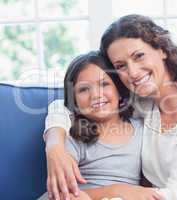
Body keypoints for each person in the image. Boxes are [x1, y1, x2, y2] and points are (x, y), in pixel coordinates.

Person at [44, 15, 177, 200]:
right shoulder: (145, 104)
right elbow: (63, 107)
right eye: (121, 66)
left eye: (139, 56)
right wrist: (54, 147)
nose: (133, 72)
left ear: (161, 49)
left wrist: (109, 194)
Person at [38, 51, 160, 200]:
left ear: (119, 90)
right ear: (74, 101)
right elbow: (62, 193)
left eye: (104, 84)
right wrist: (117, 191)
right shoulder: (75, 134)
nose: (95, 95)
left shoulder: (143, 130)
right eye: (83, 89)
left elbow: (148, 185)